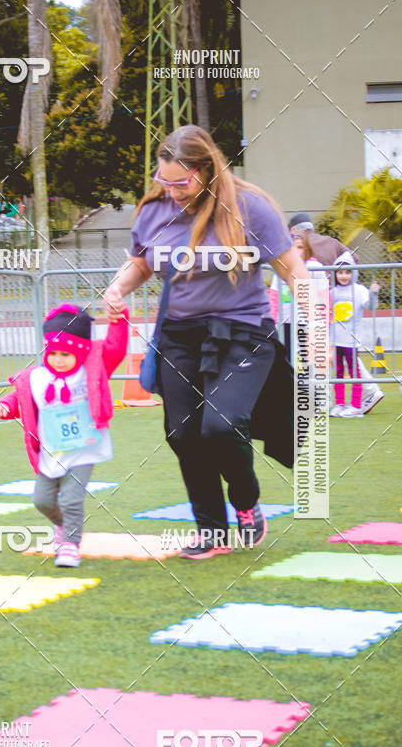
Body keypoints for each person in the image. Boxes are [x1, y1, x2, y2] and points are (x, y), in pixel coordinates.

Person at [103, 124, 313, 560]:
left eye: (181, 182)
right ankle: (212, 531)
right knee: (182, 433)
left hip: (243, 333)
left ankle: (246, 501)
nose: (173, 191)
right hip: (180, 336)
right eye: (164, 180)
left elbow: (294, 271)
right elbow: (142, 263)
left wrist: (315, 327)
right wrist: (118, 287)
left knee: (220, 424)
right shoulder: (155, 211)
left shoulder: (249, 208)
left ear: (205, 170)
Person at [0, 304, 128, 567]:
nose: (59, 359)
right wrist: (5, 406)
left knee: (72, 498)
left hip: (83, 450)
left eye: (66, 354)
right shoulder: (37, 377)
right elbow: (21, 396)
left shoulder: (91, 371)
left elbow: (115, 349)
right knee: (41, 500)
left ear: (80, 352)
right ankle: (63, 526)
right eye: (53, 353)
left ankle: (70, 546)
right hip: (51, 452)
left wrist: (119, 319)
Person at [288, 213, 383, 413]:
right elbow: (352, 258)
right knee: (342, 352)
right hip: (333, 305)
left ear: (295, 230)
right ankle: (357, 393)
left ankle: (333, 399)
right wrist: (341, 275)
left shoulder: (298, 246)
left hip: (318, 307)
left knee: (323, 356)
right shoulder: (330, 241)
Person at [330, 251, 380, 418]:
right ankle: (339, 404)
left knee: (354, 373)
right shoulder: (332, 292)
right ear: (335, 273)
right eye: (340, 272)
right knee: (337, 373)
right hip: (335, 341)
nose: (343, 276)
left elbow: (370, 306)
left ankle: (356, 405)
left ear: (353, 273)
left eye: (347, 272)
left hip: (351, 341)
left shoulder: (359, 290)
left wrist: (373, 293)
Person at [269, 230, 329, 362]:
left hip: (306, 323)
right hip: (286, 322)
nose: (296, 252)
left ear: (307, 249)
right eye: (292, 248)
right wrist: (272, 323)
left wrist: (323, 324)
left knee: (307, 362)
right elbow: (274, 299)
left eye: (300, 247)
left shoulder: (315, 268)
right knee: (288, 360)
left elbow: (324, 297)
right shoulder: (280, 269)